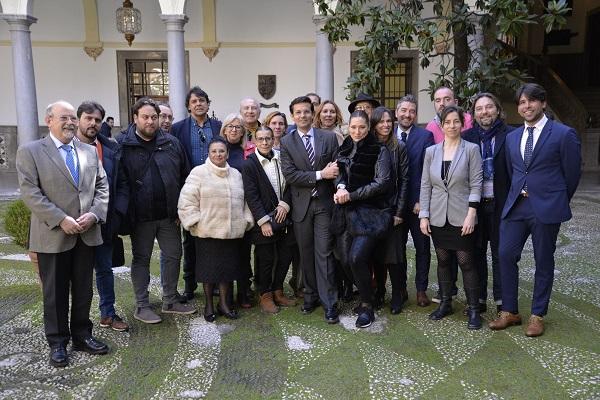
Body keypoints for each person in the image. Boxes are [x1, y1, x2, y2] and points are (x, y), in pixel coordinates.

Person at [16, 100, 110, 367]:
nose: (70, 122)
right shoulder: (31, 151)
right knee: (55, 292)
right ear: (49, 120)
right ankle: (57, 342)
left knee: (83, 290)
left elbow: (102, 186)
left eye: (72, 118)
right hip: (53, 234)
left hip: (86, 232)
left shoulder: (89, 151)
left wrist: (94, 214)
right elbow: (30, 193)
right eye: (64, 118)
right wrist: (61, 219)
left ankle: (82, 335)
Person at [489, 83, 581, 337]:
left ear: (543, 103)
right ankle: (510, 311)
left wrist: (556, 198)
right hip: (517, 205)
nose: (526, 106)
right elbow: (511, 172)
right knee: (505, 254)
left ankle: (537, 315)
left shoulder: (563, 134)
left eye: (531, 101)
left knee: (543, 261)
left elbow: (572, 173)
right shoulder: (512, 137)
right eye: (521, 102)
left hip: (546, 208)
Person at [116, 97, 196, 324]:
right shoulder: (122, 143)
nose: (150, 121)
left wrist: (182, 208)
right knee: (141, 258)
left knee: (173, 254)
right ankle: (142, 305)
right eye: (145, 117)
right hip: (140, 216)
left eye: (154, 117)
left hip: (169, 215)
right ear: (135, 118)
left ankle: (170, 300)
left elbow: (184, 177)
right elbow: (117, 181)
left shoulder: (171, 143)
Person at [419, 105, 483, 330]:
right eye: (447, 122)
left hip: (462, 216)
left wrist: (471, 214)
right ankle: (445, 303)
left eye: (456, 121)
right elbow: (425, 185)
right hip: (437, 217)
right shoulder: (431, 152)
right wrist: (424, 216)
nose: (452, 126)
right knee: (443, 260)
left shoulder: (471, 149)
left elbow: (477, 184)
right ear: (441, 125)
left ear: (462, 123)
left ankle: (474, 309)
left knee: (466, 262)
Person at [178, 137, 254, 322]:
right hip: (207, 232)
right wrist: (195, 222)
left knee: (227, 272)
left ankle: (224, 304)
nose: (218, 154)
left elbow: (245, 201)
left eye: (222, 151)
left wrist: (245, 221)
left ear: (227, 153)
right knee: (209, 273)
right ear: (209, 153)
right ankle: (209, 305)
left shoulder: (236, 174)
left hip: (231, 233)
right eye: (214, 151)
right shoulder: (199, 172)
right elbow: (187, 201)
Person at [280, 96, 340, 324]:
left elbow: (337, 168)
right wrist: (320, 175)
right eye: (298, 113)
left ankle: (330, 303)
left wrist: (337, 182)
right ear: (293, 116)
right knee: (305, 255)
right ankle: (310, 295)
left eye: (306, 111)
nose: (303, 116)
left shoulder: (328, 137)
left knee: (323, 253)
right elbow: (291, 175)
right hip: (301, 206)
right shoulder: (287, 142)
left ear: (312, 112)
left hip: (324, 204)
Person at [331, 110, 393, 328]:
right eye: (353, 127)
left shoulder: (380, 150)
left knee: (357, 258)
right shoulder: (345, 145)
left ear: (369, 128)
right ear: (348, 127)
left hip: (370, 213)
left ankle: (367, 306)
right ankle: (369, 294)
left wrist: (352, 195)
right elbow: (339, 170)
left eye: (362, 127)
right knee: (345, 259)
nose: (357, 132)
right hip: (345, 213)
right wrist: (340, 186)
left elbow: (382, 182)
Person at [75, 101, 129, 332]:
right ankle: (76, 320)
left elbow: (123, 183)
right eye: (88, 118)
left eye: (97, 120)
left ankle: (108, 313)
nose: (93, 123)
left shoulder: (110, 148)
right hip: (73, 222)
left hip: (104, 222)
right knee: (76, 274)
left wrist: (116, 213)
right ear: (78, 119)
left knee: (105, 270)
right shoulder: (66, 148)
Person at [171, 87, 222, 300]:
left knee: (216, 239)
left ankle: (218, 282)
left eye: (202, 100)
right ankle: (190, 285)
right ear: (188, 106)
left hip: (217, 191)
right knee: (190, 240)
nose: (198, 104)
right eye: (194, 101)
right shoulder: (178, 129)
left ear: (208, 104)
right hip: (190, 191)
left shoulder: (219, 127)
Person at [463, 92, 511, 314]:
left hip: (502, 205)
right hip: (475, 206)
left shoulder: (511, 135)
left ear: (498, 110)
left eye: (489, 107)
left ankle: (503, 301)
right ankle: (479, 298)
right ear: (474, 114)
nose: (485, 112)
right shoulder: (467, 137)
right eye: (479, 108)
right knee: (477, 252)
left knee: (501, 254)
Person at [242, 126, 297, 313]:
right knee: (266, 260)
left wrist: (285, 204)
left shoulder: (282, 157)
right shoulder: (249, 164)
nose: (265, 142)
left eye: (268, 138)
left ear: (274, 139)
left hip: (285, 217)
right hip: (263, 221)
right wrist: (263, 221)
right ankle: (265, 294)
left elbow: (291, 183)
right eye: (260, 139)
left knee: (284, 257)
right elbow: (251, 195)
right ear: (254, 141)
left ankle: (278, 291)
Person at [395, 95, 435, 307]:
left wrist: (422, 200)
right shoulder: (387, 134)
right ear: (396, 112)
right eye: (403, 110)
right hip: (394, 207)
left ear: (415, 114)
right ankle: (400, 289)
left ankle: (421, 290)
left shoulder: (425, 136)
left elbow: (429, 171)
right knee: (397, 250)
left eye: (411, 111)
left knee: (422, 248)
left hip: (418, 205)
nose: (407, 114)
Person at [371, 106, 409, 314]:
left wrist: (399, 212)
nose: (385, 125)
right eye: (381, 121)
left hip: (392, 207)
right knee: (376, 253)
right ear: (374, 124)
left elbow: (404, 181)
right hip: (372, 209)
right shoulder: (368, 145)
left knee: (394, 256)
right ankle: (379, 293)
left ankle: (397, 294)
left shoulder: (399, 147)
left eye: (388, 121)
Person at [264, 111, 303, 297]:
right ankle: (266, 288)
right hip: (266, 208)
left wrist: (285, 203)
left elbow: (292, 178)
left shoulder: (290, 146)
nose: (277, 126)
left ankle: (290, 284)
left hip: (290, 205)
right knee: (268, 253)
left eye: (281, 123)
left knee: (290, 248)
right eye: (274, 123)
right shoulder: (260, 148)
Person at [219, 113, 253, 307]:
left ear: (243, 131)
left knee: (243, 252)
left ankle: (244, 291)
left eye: (238, 127)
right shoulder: (218, 150)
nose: (234, 130)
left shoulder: (247, 151)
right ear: (224, 129)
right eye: (230, 126)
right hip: (223, 209)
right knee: (226, 254)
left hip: (244, 208)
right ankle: (226, 295)